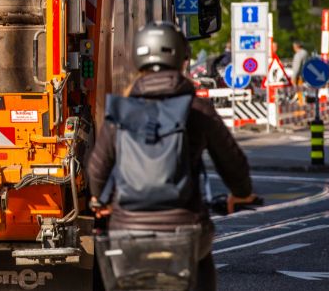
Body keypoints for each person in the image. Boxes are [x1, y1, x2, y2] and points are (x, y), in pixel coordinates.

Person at [87, 21, 254, 291]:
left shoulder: (121, 110)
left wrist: (100, 201)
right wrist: (242, 193)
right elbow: (233, 162)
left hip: (127, 229)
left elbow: (97, 169)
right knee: (200, 267)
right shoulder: (197, 109)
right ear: (182, 58)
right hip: (186, 228)